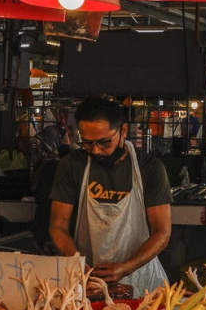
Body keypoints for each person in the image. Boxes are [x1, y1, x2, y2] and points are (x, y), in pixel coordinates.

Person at [49, 96, 171, 293]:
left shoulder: (150, 168)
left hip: (141, 279)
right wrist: (78, 264)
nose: (96, 150)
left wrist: (127, 267)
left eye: (104, 142)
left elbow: (162, 232)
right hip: (88, 279)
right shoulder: (71, 166)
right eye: (87, 143)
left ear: (122, 131)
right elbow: (58, 227)